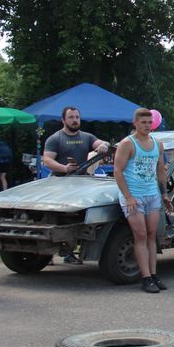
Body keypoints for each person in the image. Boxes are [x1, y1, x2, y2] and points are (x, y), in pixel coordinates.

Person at [114, 108, 173, 293]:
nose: (147, 126)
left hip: (152, 193)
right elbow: (117, 171)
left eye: (149, 122)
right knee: (139, 235)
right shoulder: (127, 144)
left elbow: (160, 170)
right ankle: (145, 277)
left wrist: (164, 195)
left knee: (151, 234)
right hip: (134, 195)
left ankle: (154, 274)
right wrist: (128, 197)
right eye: (143, 122)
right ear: (135, 123)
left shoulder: (157, 144)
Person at [43, 106, 110, 263]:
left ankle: (70, 250)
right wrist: (64, 168)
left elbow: (102, 143)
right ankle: (54, 252)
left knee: (78, 218)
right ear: (63, 120)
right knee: (58, 219)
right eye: (71, 117)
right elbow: (47, 160)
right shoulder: (55, 138)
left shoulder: (87, 137)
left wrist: (104, 145)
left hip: (81, 184)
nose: (75, 120)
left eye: (77, 117)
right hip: (59, 183)